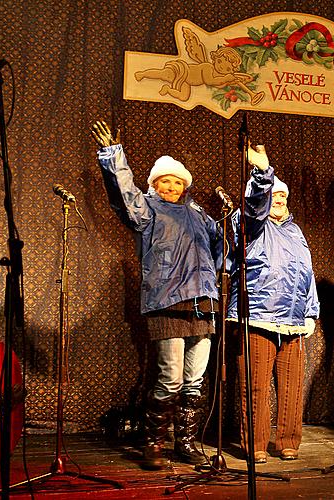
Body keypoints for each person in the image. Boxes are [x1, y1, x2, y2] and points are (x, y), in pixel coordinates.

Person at [92, 120, 223, 470]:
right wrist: (112, 155)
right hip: (167, 302)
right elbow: (124, 194)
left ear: (185, 185)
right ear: (154, 184)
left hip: (203, 304)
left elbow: (223, 246)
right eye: (164, 180)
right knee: (171, 378)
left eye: (177, 181)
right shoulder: (147, 211)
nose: (171, 186)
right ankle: (154, 443)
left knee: (195, 381)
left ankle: (187, 443)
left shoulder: (201, 216)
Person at [229, 145, 319, 462]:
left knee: (292, 387)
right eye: (274, 195)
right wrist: (262, 174)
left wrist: (311, 312)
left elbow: (306, 273)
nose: (278, 200)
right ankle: (254, 443)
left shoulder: (296, 232)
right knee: (255, 386)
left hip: (292, 319)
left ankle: (287, 440)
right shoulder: (251, 225)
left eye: (283, 196)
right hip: (258, 314)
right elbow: (253, 206)